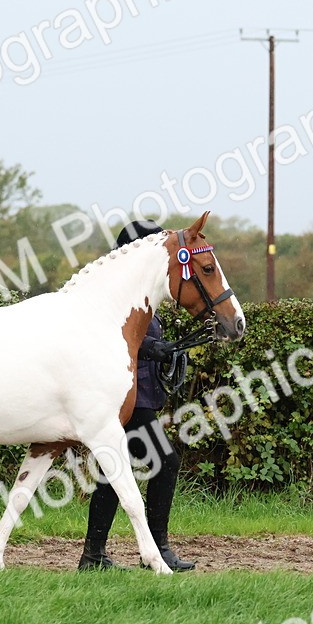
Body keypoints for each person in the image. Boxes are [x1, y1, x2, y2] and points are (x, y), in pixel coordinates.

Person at [79, 220, 195, 572]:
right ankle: (156, 551)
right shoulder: (112, 292)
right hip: (126, 397)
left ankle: (93, 555)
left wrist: (166, 348)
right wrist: (152, 348)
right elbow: (112, 335)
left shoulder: (136, 290)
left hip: (135, 394)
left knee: (113, 472)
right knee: (164, 462)